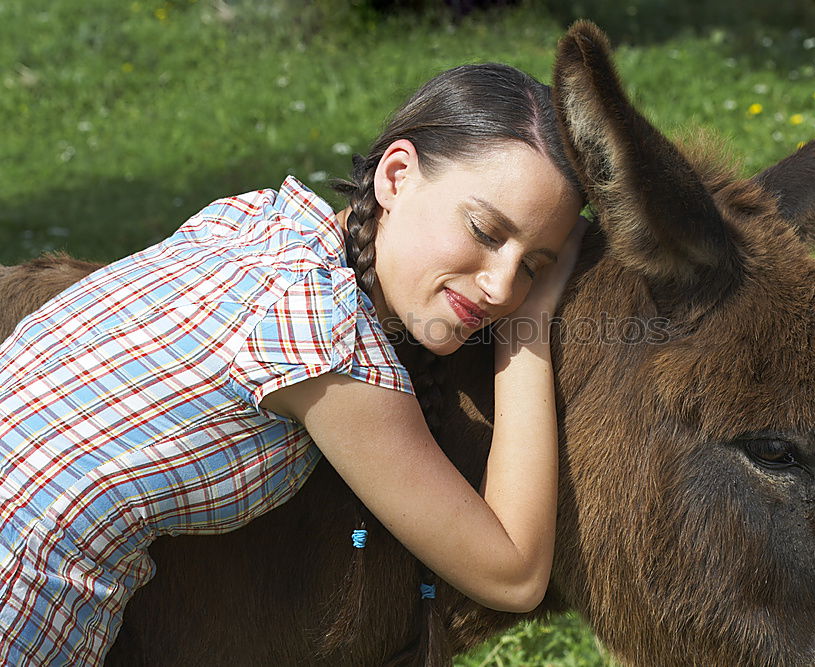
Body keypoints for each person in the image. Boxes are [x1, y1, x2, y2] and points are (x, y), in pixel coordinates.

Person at [0, 62, 586, 664]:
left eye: (533, 268)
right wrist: (529, 325)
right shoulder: (329, 348)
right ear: (397, 176)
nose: (500, 286)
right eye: (485, 230)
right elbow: (513, 574)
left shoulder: (261, 221)